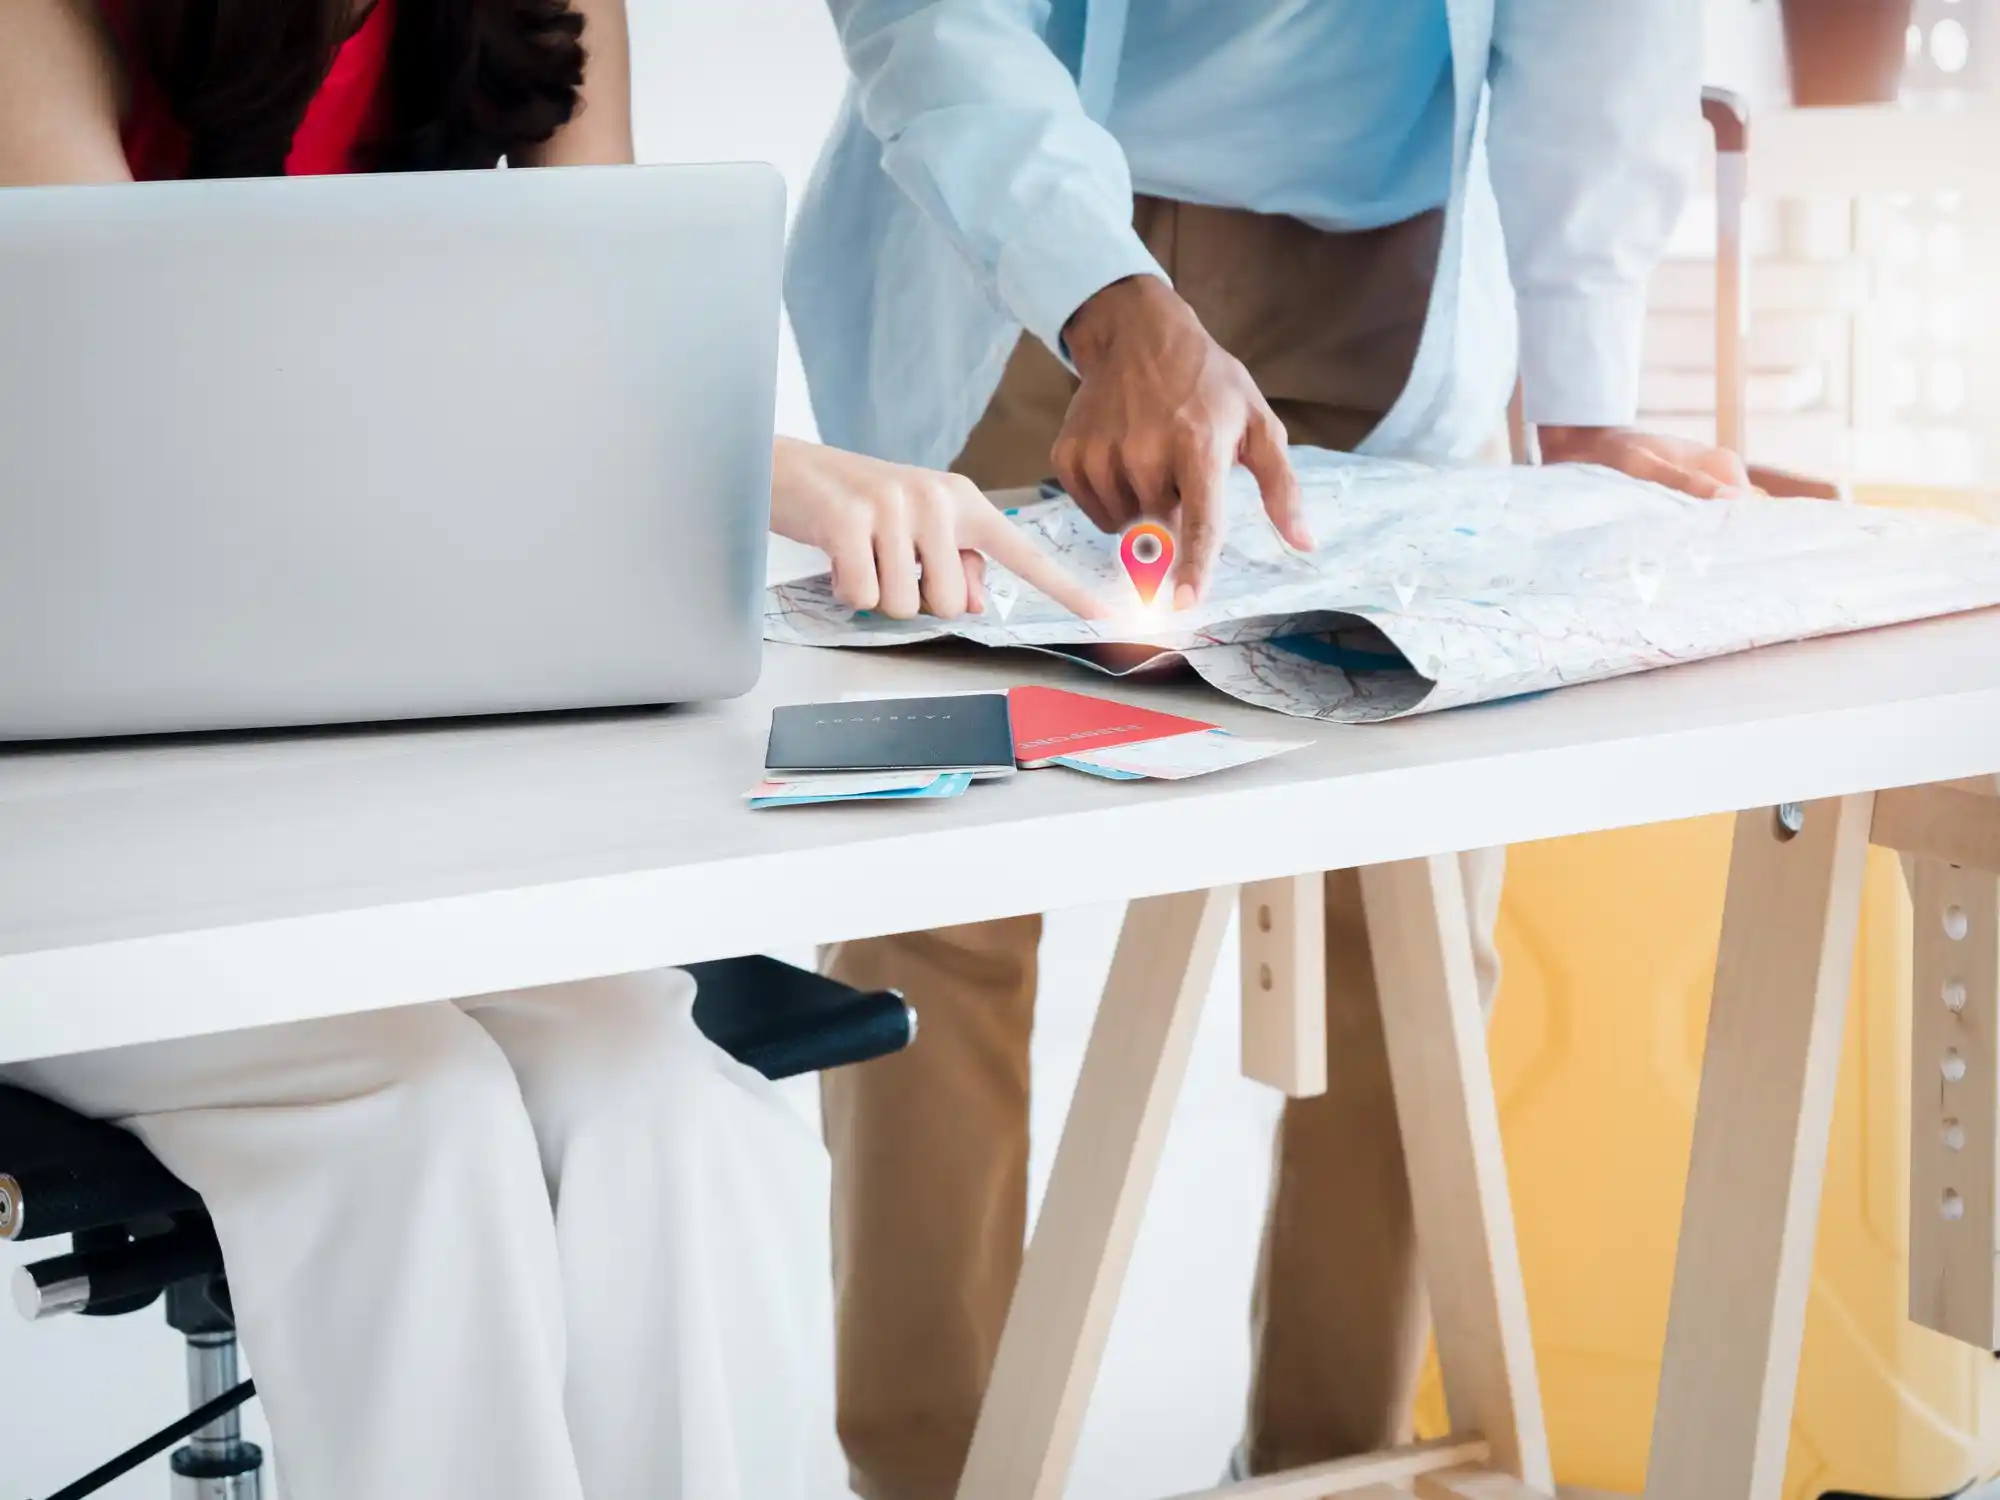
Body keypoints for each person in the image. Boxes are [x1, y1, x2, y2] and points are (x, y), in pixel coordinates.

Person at [0, 1, 1094, 1496]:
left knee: (664, 1107)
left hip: (386, 771)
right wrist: (767, 465)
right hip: (79, 796)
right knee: (415, 1117)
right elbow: (131, 406)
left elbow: (605, 353)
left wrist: (770, 473)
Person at [784, 4, 1754, 1496]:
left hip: (1386, 264)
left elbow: (1595, 29)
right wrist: (1108, 298)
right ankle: (929, 1475)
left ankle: (1342, 1461)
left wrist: (1582, 400)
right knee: (938, 890)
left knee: (1403, 907)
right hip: (1027, 250)